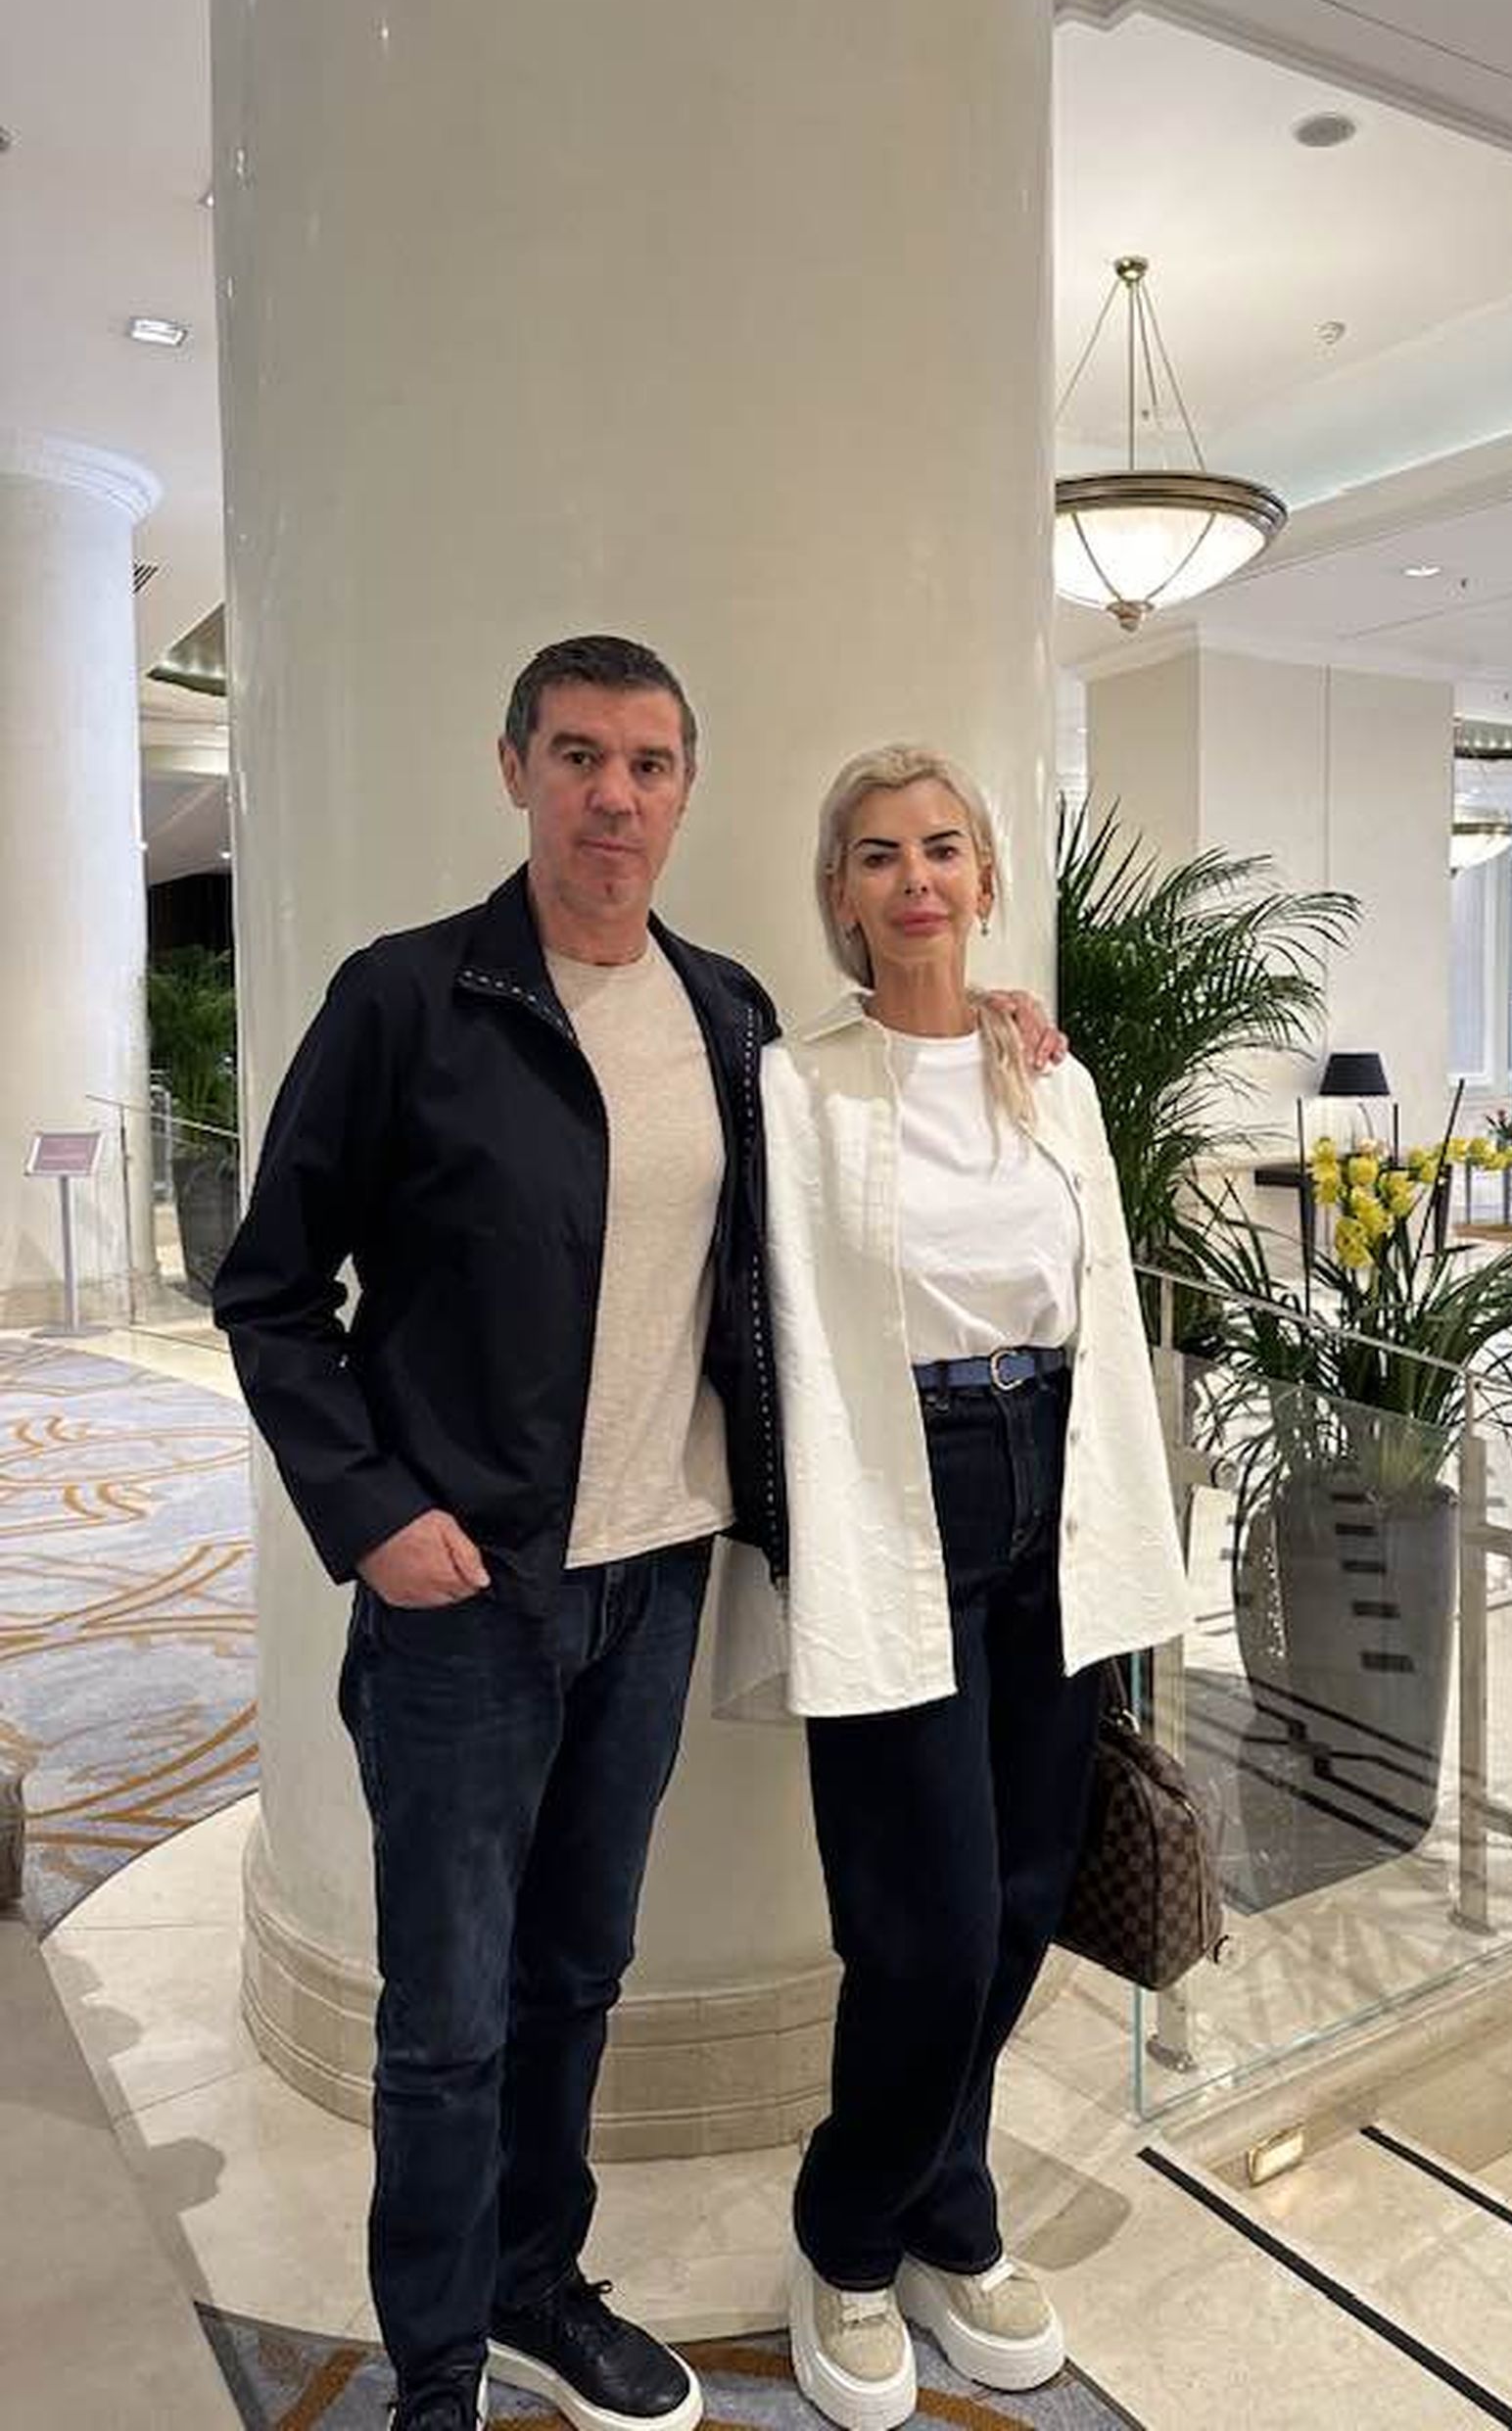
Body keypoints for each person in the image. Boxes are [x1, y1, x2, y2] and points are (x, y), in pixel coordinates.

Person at [213, 639, 1058, 2431]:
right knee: (447, 2016)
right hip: (466, 1597)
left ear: (685, 793)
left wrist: (991, 1016)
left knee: (579, 1973)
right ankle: (437, 2365)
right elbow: (270, 1289)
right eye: (581, 755)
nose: (615, 795)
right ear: (514, 767)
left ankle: (534, 2281)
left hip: (657, 1580)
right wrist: (373, 1513)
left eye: (650, 764)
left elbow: (871, 1109)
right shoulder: (408, 1000)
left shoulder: (730, 1017)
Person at [759, 744, 1192, 2431]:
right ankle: (846, 2236)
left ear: (989, 879)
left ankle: (949, 2210)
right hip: (898, 1496)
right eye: (878, 855)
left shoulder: (1051, 1081)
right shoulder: (799, 1087)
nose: (916, 879)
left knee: (1018, 1897)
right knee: (920, 1926)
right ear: (841, 896)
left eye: (943, 848)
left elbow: (1098, 1301)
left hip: (1052, 1485)